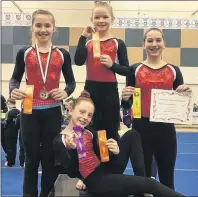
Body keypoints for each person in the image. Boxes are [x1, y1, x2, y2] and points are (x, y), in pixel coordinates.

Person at [102, 27, 191, 189]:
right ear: (144, 44)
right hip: (141, 129)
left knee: (167, 178)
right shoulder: (135, 70)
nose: (154, 44)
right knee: (143, 179)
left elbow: (180, 100)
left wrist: (185, 93)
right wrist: (125, 99)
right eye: (150, 40)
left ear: (164, 44)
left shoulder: (174, 70)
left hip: (166, 130)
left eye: (158, 40)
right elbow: (129, 107)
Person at [53, 91, 184, 197]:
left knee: (132, 134)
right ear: (70, 110)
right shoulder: (60, 141)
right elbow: (71, 172)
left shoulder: (88, 132)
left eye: (89, 115)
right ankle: (144, 187)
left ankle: (141, 181)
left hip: (106, 169)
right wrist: (72, 150)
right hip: (97, 181)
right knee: (150, 184)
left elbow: (101, 157)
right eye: (82, 112)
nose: (85, 117)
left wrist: (114, 151)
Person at [9, 9, 76, 197]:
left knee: (49, 159)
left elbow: (71, 82)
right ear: (32, 27)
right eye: (38, 25)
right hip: (29, 112)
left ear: (54, 28)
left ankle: (47, 193)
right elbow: (14, 79)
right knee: (31, 160)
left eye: (47, 25)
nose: (43, 29)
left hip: (52, 112)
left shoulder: (62, 54)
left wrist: (66, 91)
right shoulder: (24, 53)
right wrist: (13, 90)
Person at [74, 1, 129, 141]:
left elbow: (127, 70)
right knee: (87, 128)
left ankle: (108, 161)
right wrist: (82, 37)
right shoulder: (88, 42)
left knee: (109, 130)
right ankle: (87, 161)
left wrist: (112, 65)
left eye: (105, 17)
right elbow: (78, 61)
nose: (101, 20)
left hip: (109, 92)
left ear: (112, 19)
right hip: (90, 90)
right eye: (97, 17)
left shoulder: (118, 43)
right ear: (92, 20)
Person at [4, 98, 20, 167]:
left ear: (9, 103)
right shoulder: (19, 112)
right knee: (14, 147)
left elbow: (6, 123)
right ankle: (12, 161)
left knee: (9, 147)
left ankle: (10, 162)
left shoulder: (9, 112)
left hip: (8, 132)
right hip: (15, 131)